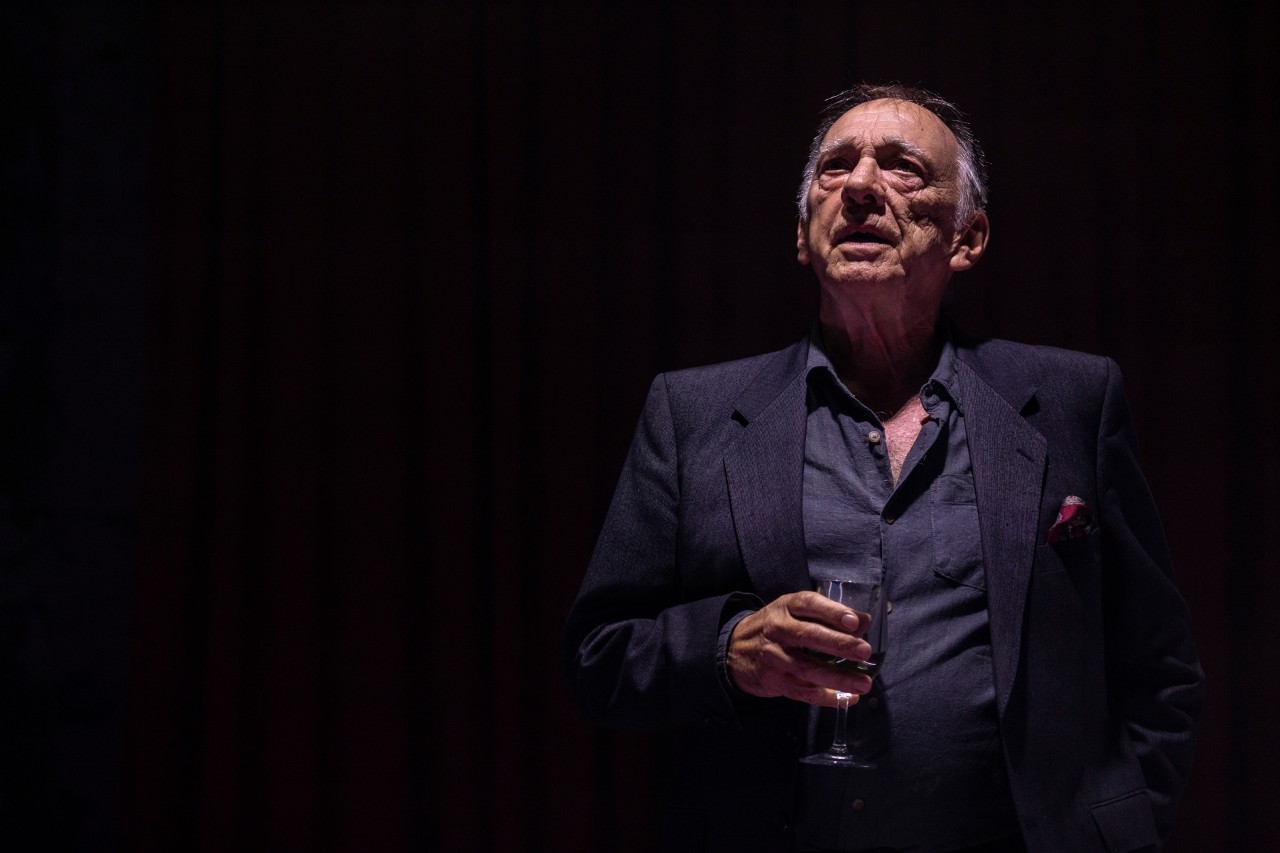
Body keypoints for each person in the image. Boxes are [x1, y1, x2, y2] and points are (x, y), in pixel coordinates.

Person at [563, 84, 1204, 853]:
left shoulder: (1071, 399)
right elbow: (598, 655)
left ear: (967, 238)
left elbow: (1161, 666)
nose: (861, 186)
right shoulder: (692, 412)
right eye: (834, 169)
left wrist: (1118, 829)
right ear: (803, 235)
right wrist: (727, 649)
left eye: (902, 169)